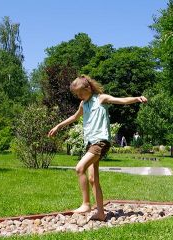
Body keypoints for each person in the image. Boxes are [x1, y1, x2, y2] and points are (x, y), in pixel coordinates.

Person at [48, 74, 147, 221]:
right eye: (77, 95)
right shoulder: (83, 104)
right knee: (93, 179)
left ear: (88, 88)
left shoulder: (101, 98)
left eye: (81, 93)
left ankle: (86, 204)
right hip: (90, 143)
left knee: (79, 168)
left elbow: (121, 100)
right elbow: (74, 117)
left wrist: (137, 98)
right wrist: (58, 126)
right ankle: (100, 213)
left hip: (100, 141)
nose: (80, 96)